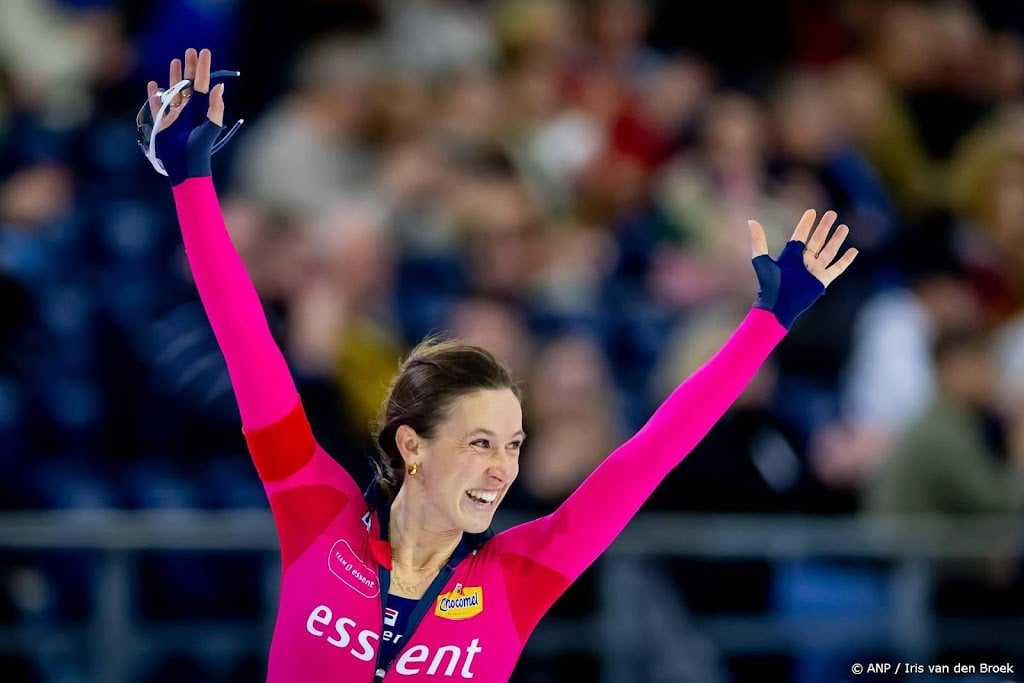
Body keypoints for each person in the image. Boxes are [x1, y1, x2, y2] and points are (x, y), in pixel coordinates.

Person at [141, 48, 857, 682]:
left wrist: (766, 323)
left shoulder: (521, 573)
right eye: (481, 442)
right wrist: (192, 181)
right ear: (411, 445)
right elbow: (247, 346)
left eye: (513, 445)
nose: (502, 468)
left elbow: (651, 453)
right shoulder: (317, 513)